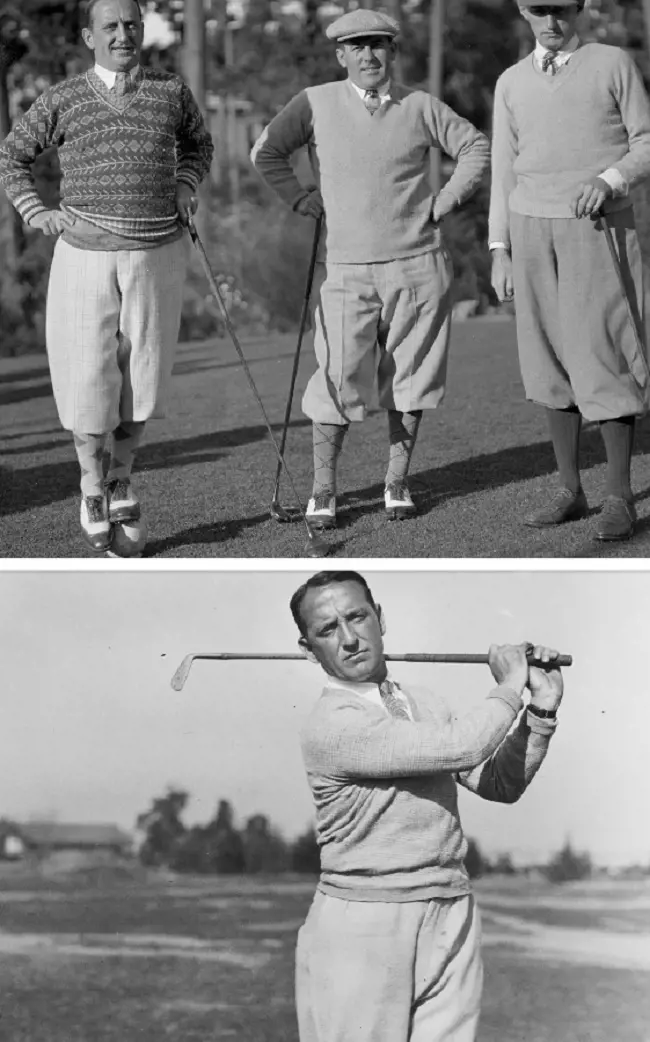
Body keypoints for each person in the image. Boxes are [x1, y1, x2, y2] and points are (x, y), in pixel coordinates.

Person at [289, 569, 563, 1042]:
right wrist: (510, 684)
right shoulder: (331, 723)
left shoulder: (427, 706)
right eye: (328, 630)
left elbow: (499, 781)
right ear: (307, 648)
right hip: (365, 921)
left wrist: (540, 710)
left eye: (357, 617)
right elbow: (462, 747)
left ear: (381, 619)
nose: (350, 639)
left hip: (451, 908)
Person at [252, 10, 490, 529]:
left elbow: (474, 146)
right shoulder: (314, 102)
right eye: (356, 46)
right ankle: (323, 491)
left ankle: (396, 481)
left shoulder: (420, 105)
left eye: (377, 45)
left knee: (411, 378)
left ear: (393, 51)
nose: (368, 55)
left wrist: (446, 199)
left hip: (417, 264)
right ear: (341, 55)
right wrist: (299, 199)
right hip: (345, 267)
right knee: (336, 376)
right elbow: (267, 152)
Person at [0, 0, 213, 554]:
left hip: (156, 253)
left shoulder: (170, 91)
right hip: (84, 253)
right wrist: (35, 211)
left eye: (132, 25)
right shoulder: (64, 97)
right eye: (111, 27)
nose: (124, 35)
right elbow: (12, 156)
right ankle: (91, 486)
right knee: (88, 376)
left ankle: (121, 474)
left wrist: (186, 184)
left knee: (140, 375)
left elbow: (199, 144)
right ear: (89, 37)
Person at [489, 0, 650, 542]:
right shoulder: (510, 82)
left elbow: (646, 142)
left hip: (597, 228)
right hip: (531, 231)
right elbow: (503, 170)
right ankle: (569, 490)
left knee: (602, 352)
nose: (551, 23)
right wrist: (499, 249)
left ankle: (619, 497)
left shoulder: (611, 63)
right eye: (540, 11)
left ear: (578, 10)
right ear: (523, 12)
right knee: (547, 359)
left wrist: (609, 179)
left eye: (560, 10)